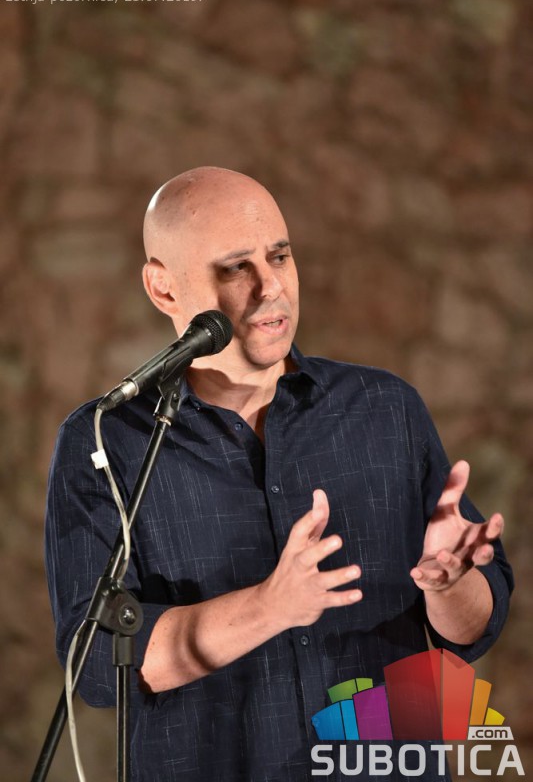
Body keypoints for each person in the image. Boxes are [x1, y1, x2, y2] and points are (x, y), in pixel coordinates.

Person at [46, 167, 513, 781]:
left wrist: (450, 585)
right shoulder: (107, 441)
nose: (271, 287)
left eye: (280, 256)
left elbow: (474, 629)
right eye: (236, 267)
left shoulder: (385, 409)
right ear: (163, 288)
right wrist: (270, 606)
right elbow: (96, 666)